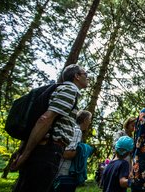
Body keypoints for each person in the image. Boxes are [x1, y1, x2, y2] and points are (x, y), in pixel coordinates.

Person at [11, 64, 89, 192]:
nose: (88, 78)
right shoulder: (70, 90)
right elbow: (45, 119)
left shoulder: (63, 90)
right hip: (47, 151)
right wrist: (25, 154)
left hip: (45, 150)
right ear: (77, 76)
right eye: (85, 74)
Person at [55, 110, 92, 192]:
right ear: (85, 120)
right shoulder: (77, 131)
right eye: (90, 119)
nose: (90, 122)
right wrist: (83, 150)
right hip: (64, 171)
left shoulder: (71, 127)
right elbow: (67, 154)